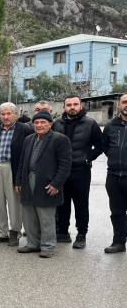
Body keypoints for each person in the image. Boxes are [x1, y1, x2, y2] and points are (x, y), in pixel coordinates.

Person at [15, 111, 72, 258]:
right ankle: (32, 243)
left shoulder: (60, 139)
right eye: (36, 122)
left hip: (47, 183)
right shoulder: (29, 139)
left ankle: (47, 246)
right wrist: (19, 181)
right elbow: (22, 162)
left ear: (50, 124)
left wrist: (56, 184)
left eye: (43, 122)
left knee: (46, 217)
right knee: (28, 215)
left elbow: (65, 165)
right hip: (28, 180)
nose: (39, 125)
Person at [52, 95, 103, 248]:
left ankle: (81, 235)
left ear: (81, 106)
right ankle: (63, 232)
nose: (72, 107)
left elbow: (100, 145)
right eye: (69, 105)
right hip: (61, 171)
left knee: (81, 204)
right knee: (62, 203)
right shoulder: (57, 124)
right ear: (64, 107)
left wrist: (87, 158)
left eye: (75, 104)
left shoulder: (90, 124)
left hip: (80, 170)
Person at [0, 102, 34, 247]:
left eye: (8, 114)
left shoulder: (25, 129)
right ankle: (1, 232)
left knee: (14, 203)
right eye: (3, 114)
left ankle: (15, 232)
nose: (5, 117)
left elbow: (29, 152)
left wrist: (23, 175)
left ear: (15, 114)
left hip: (14, 168)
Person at [102, 94, 127, 253]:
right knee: (117, 211)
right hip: (114, 176)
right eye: (124, 102)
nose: (126, 105)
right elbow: (105, 147)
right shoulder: (111, 126)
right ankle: (119, 242)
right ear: (119, 105)